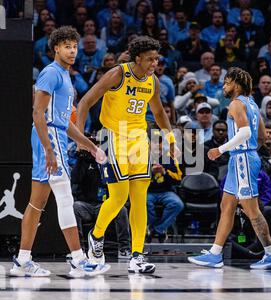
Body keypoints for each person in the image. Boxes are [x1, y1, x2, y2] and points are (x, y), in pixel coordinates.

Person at [10, 26, 110, 278]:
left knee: (37, 203)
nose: (73, 50)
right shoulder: (51, 73)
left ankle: (22, 260)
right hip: (48, 138)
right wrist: (48, 150)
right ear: (56, 48)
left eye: (74, 46)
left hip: (54, 134)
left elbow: (66, 123)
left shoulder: (66, 76)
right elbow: (37, 113)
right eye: (67, 46)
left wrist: (91, 146)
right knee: (65, 196)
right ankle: (79, 259)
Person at [76, 36, 179, 274]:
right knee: (119, 197)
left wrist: (171, 139)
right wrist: (81, 139)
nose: (155, 63)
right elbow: (85, 102)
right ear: (138, 58)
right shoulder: (118, 74)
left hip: (138, 139)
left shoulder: (152, 81)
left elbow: (160, 113)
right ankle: (96, 234)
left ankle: (137, 255)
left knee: (139, 198)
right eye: (150, 58)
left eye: (157, 58)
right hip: (113, 136)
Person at [188, 67, 271, 269]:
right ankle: (215, 253)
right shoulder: (252, 104)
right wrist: (249, 153)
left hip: (241, 159)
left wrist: (220, 150)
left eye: (227, 82)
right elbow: (260, 137)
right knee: (227, 205)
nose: (224, 86)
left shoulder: (235, 103)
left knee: (252, 210)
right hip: (242, 158)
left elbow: (245, 132)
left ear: (236, 83)